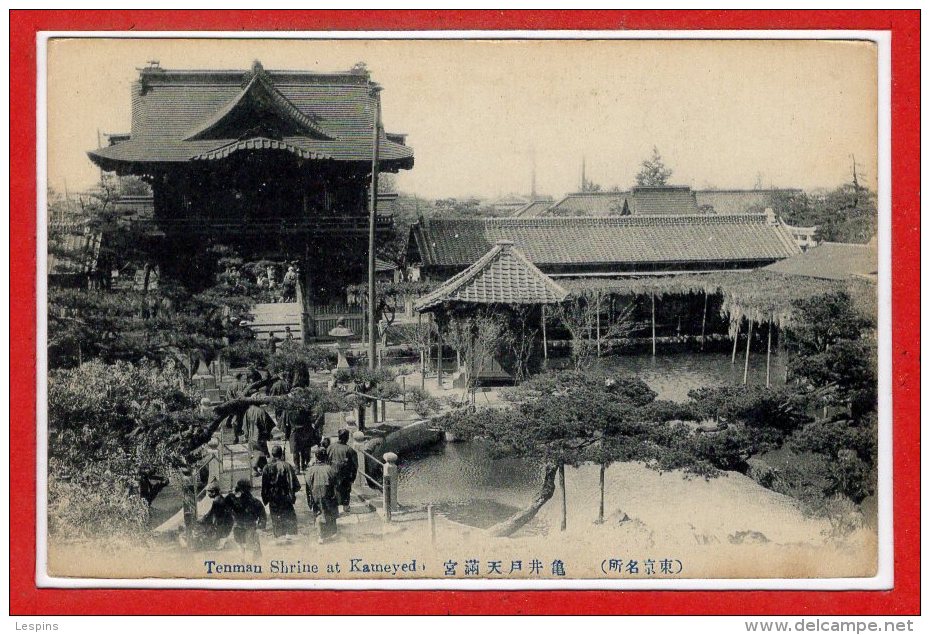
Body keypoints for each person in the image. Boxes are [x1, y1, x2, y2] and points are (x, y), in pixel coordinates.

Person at [261, 446, 301, 538]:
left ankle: (279, 537)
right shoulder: (287, 466)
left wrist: (266, 498)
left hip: (273, 498)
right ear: (281, 454)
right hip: (286, 497)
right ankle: (288, 536)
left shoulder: (267, 467)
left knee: (276, 519)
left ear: (272, 454)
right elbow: (296, 485)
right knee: (288, 518)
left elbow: (264, 486)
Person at [304, 448, 339, 544]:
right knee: (329, 512)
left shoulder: (310, 470)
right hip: (328, 493)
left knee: (319, 513)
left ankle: (321, 536)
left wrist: (310, 499)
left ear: (316, 457)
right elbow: (336, 482)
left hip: (316, 494)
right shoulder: (330, 469)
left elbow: (307, 484)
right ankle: (331, 533)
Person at [226, 477, 266, 557]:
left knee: (241, 547)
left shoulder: (233, 500)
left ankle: (243, 561)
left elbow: (225, 506)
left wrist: (232, 494)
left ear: (239, 489)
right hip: (250, 528)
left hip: (239, 527)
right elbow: (262, 516)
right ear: (250, 489)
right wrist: (260, 527)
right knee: (252, 550)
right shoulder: (256, 502)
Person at [326, 428, 359, 514]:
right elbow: (355, 466)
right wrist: (353, 478)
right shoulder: (349, 450)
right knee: (346, 491)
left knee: (333, 491)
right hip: (345, 475)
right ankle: (345, 507)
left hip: (331, 473)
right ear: (347, 438)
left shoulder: (330, 447)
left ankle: (335, 508)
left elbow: (326, 461)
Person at [281, 407, 321, 473]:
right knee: (296, 451)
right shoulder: (290, 412)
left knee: (303, 451)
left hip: (303, 432)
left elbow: (310, 422)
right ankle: (298, 467)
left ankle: (302, 466)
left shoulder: (304, 412)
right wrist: (287, 435)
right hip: (296, 433)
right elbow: (287, 426)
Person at [198, 480, 234, 547]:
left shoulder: (217, 501)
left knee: (207, 529)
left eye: (209, 492)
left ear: (214, 492)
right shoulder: (219, 498)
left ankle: (221, 541)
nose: (208, 494)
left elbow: (211, 513)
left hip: (224, 524)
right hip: (227, 522)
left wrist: (202, 519)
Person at [242, 405, 275, 474]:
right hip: (260, 436)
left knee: (254, 452)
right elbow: (268, 424)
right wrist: (268, 434)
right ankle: (260, 468)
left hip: (251, 436)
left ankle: (257, 470)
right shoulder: (261, 411)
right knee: (261, 452)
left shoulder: (248, 411)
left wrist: (246, 435)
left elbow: (245, 425)